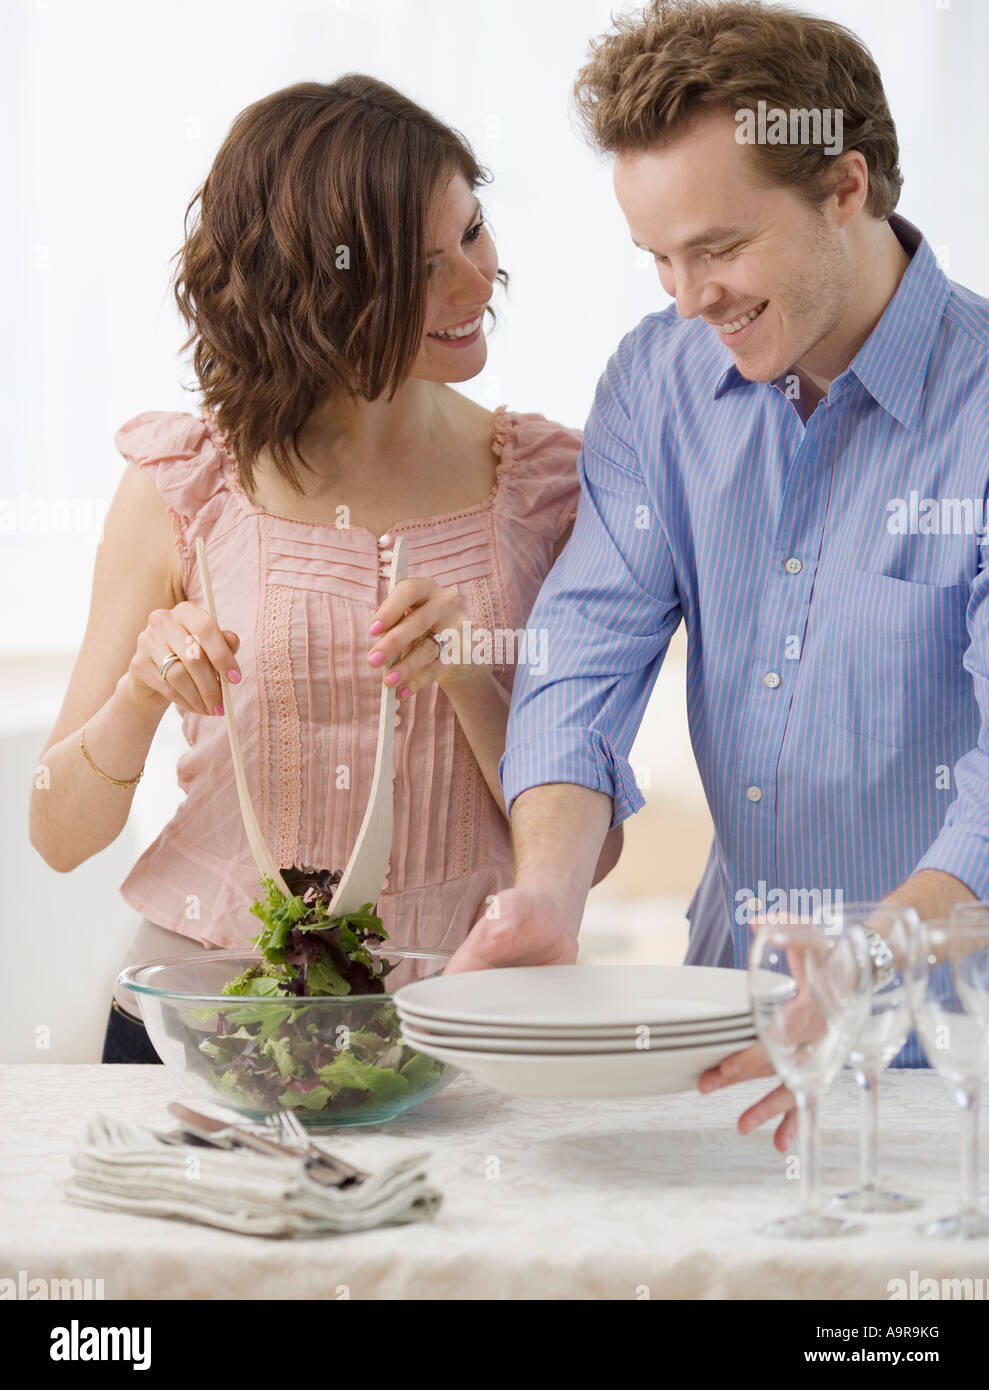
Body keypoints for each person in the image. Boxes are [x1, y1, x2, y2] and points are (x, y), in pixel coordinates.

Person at [445, 0, 989, 1149]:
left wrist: (866, 954)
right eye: (656, 257)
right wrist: (547, 888)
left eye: (719, 248)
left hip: (958, 1053)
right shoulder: (659, 383)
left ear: (844, 188)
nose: (687, 298)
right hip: (733, 1038)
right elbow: (581, 655)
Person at [27, 75, 623, 1062]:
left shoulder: (547, 488)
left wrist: (470, 677)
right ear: (322, 291)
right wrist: (139, 693)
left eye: (472, 233)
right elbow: (57, 831)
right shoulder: (186, 482)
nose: (480, 284)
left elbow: (588, 854)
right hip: (203, 1028)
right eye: (425, 268)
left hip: (461, 1033)